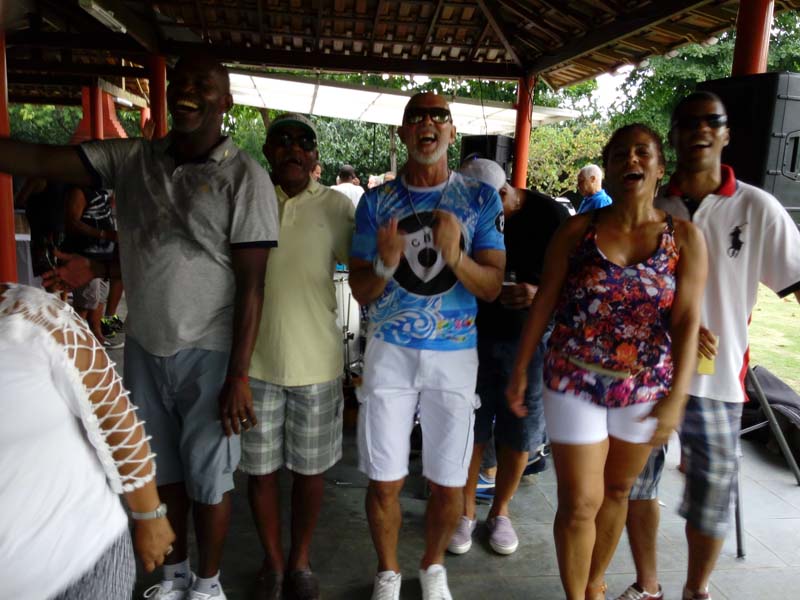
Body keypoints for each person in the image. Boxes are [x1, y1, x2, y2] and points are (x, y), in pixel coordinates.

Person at [0, 54, 280, 600]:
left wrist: (239, 375)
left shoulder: (245, 177)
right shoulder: (132, 159)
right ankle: (174, 577)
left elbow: (253, 285)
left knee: (210, 481)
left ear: (226, 102)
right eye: (181, 81)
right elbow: (38, 157)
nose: (188, 90)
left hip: (212, 353)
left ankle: (207, 585)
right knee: (163, 470)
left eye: (203, 84)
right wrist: (101, 267)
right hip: (146, 345)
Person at [507, 123, 708, 600]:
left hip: (644, 386)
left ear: (660, 168)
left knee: (618, 493)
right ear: (610, 170)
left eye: (642, 152)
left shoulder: (684, 238)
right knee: (581, 502)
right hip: (574, 379)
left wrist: (678, 396)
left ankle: (594, 582)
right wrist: (520, 367)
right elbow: (545, 300)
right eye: (620, 154)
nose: (631, 160)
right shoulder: (577, 231)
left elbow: (686, 321)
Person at [615, 92, 800, 600]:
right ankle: (648, 585)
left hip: (716, 376)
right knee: (635, 484)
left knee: (711, 495)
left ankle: (696, 590)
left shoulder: (757, 207)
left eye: (711, 121)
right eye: (689, 121)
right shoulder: (650, 206)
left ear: (726, 133)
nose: (700, 129)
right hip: (644, 374)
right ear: (673, 135)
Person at [349, 92, 505, 600]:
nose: (428, 124)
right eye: (416, 117)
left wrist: (455, 256)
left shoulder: (480, 200)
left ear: (452, 132)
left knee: (449, 479)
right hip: (389, 350)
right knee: (384, 479)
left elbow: (492, 286)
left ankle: (433, 566)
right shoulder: (376, 203)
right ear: (403, 132)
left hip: (454, 353)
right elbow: (362, 290)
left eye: (440, 116)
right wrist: (386, 263)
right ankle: (388, 572)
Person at [0, 282, 175, 600]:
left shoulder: (34, 319)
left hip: (85, 561)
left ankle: (107, 323)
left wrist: (149, 514)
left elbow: (115, 416)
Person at [242, 113, 355, 600]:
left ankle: (300, 560)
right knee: (259, 472)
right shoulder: (248, 198)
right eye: (282, 141)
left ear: (315, 156)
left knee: (311, 473)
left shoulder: (337, 206)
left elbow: (364, 272)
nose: (293, 148)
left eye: (303, 142)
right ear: (268, 152)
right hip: (253, 366)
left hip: (318, 366)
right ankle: (272, 563)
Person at [449, 158, 568, 557]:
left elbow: (575, 282)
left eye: (484, 205)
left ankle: (500, 511)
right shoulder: (463, 213)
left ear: (504, 193)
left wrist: (539, 295)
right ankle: (465, 512)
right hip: (472, 336)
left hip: (529, 341)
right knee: (471, 426)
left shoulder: (550, 216)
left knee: (520, 430)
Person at [62, 186, 119, 347]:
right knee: (86, 301)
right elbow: (72, 222)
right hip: (87, 255)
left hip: (105, 256)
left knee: (101, 297)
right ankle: (76, 341)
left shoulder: (102, 191)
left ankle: (99, 333)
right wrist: (102, 234)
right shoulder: (79, 190)